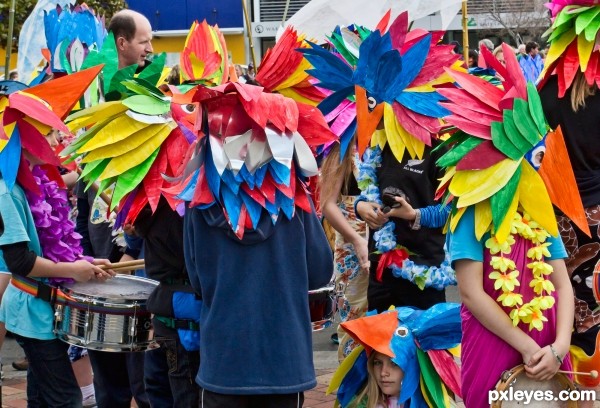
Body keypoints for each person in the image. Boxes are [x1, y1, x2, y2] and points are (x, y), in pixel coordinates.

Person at [179, 79, 334, 407]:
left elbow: (197, 281)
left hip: (225, 363)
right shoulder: (294, 201)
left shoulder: (199, 203)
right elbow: (321, 271)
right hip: (284, 363)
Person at [440, 43, 575, 407]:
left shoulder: (535, 206)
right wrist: (531, 349)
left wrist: (559, 348)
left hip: (549, 350)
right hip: (496, 346)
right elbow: (471, 293)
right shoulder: (470, 208)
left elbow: (562, 283)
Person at [0, 81, 115, 407]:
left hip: (45, 311)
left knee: (43, 398)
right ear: (28, 139)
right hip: (30, 313)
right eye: (49, 134)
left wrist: (85, 264)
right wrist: (73, 271)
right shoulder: (6, 191)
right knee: (66, 400)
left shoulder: (36, 180)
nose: (57, 140)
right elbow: (20, 261)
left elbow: (53, 244)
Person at [538, 1, 600, 404]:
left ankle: (571, 392)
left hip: (554, 218)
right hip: (597, 217)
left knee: (564, 316)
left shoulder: (544, 90)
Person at [328, 303, 462, 407]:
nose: (383, 373)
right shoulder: (359, 404)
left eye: (394, 363)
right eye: (377, 363)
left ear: (415, 364)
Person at [319, 141, 369, 361]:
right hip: (352, 251)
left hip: (387, 248)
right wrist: (357, 239)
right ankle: (356, 390)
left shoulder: (387, 141)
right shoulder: (343, 147)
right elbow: (327, 204)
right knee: (354, 321)